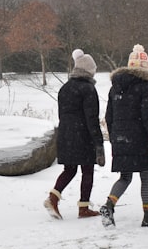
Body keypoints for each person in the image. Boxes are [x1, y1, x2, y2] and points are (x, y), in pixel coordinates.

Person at [99, 44, 148, 228]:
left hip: (120, 139)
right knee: (146, 176)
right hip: (140, 139)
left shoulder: (115, 88)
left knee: (125, 177)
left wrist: (114, 139)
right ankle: (147, 216)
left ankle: (109, 205)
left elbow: (108, 117)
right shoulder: (146, 87)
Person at [44, 49, 105, 219]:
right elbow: (91, 119)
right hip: (83, 136)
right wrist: (98, 142)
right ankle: (83, 208)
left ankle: (53, 198)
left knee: (69, 169)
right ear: (89, 70)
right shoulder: (88, 89)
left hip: (65, 135)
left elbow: (62, 114)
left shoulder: (65, 88)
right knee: (87, 170)